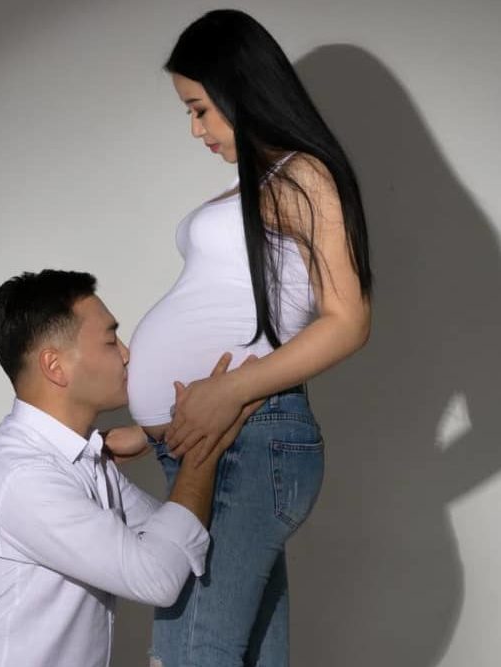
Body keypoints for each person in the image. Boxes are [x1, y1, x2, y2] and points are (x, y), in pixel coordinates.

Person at [125, 9, 373, 667]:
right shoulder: (257, 182)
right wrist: (153, 429)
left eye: (200, 109)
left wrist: (227, 392)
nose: (195, 129)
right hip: (219, 440)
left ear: (238, 90)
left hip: (247, 441)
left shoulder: (301, 175)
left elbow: (347, 319)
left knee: (189, 655)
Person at [0, 269, 259, 667]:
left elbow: (174, 536)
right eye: (109, 340)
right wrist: (204, 443)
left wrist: (164, 433)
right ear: (55, 366)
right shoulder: (22, 479)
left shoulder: (79, 460)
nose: (126, 353)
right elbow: (157, 575)